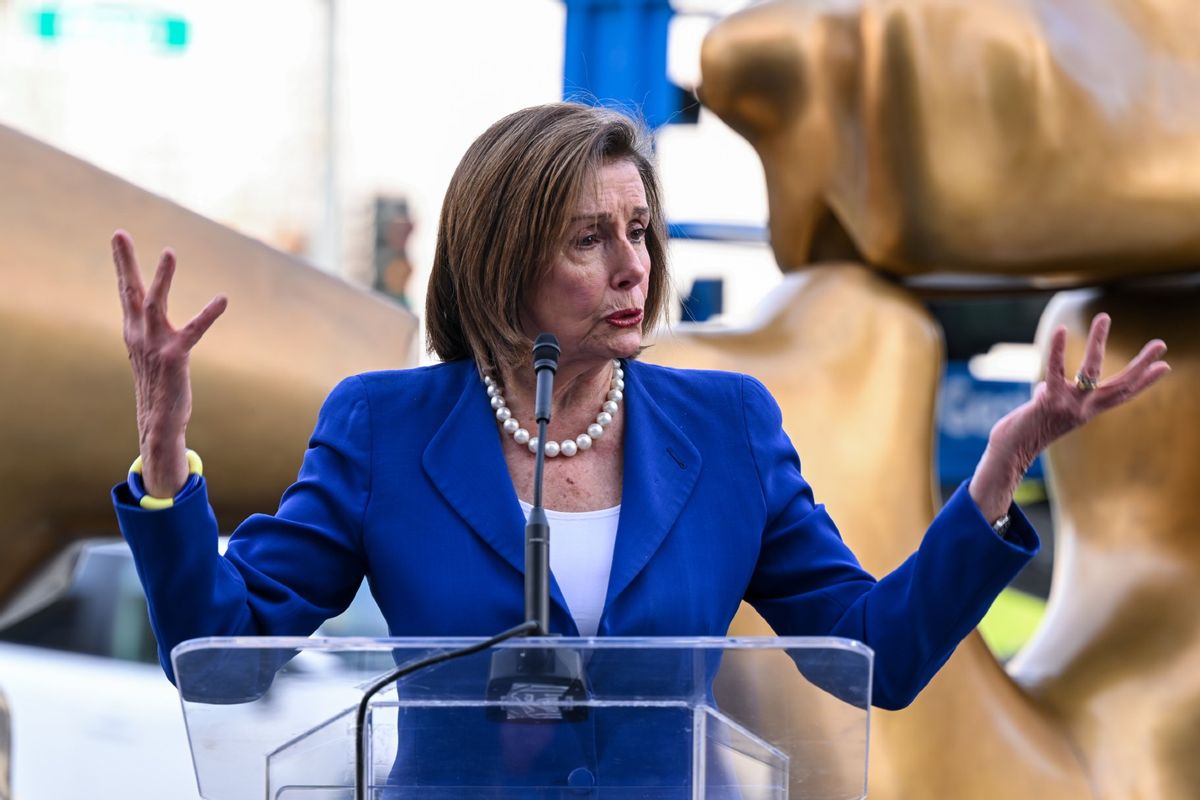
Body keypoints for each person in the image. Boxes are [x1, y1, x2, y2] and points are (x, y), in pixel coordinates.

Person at [111, 103, 1169, 787]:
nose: (634, 265)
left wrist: (997, 474)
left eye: (642, 229)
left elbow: (874, 655)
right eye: (590, 236)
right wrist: (165, 456)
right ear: (503, 258)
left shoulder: (731, 428)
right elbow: (222, 657)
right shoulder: (382, 426)